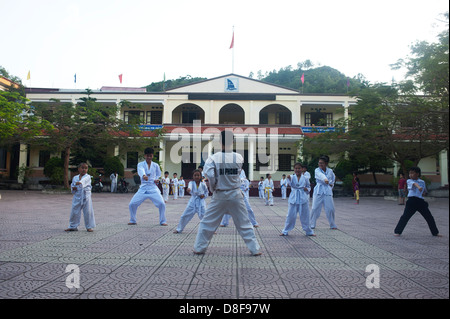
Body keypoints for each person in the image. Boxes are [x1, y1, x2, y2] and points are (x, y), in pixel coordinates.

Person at [193, 130, 261, 256]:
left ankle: (199, 248)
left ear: (219, 141)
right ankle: (255, 249)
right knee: (244, 223)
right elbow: (238, 172)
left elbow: (211, 176)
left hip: (220, 194)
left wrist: (213, 189)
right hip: (235, 193)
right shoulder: (239, 157)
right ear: (233, 141)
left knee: (207, 223)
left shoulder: (212, 158)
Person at [394, 167, 442, 237]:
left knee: (429, 217)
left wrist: (423, 192)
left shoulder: (422, 182)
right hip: (411, 201)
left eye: (412, 173)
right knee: (405, 217)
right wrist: (419, 187)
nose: (410, 175)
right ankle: (398, 231)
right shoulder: (409, 181)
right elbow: (414, 184)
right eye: (410, 173)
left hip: (420, 202)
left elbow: (424, 190)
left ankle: (435, 232)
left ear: (417, 174)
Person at [128, 147, 167, 226]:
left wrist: (156, 179)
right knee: (132, 204)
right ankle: (133, 220)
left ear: (152, 156)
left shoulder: (155, 165)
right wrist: (143, 175)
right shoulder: (140, 164)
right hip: (143, 188)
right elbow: (141, 170)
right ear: (145, 156)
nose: (149, 157)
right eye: (147, 156)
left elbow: (158, 175)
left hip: (153, 188)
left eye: (151, 156)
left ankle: (162, 221)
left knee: (162, 204)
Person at [280, 163, 315, 236]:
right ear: (294, 169)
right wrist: (288, 178)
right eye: (296, 168)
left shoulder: (305, 178)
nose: (297, 170)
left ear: (302, 169)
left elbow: (308, 187)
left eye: (299, 168)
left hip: (303, 198)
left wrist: (306, 189)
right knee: (290, 215)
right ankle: (285, 231)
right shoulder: (292, 177)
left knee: (305, 215)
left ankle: (309, 231)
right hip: (294, 198)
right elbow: (289, 183)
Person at [65, 163, 96, 232]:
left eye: (86, 168)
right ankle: (73, 226)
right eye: (82, 168)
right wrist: (73, 188)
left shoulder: (88, 177)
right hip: (77, 196)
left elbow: (83, 182)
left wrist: (80, 182)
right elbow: (72, 186)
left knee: (88, 211)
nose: (84, 170)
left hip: (86, 196)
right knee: (74, 211)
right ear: (78, 169)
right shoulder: (75, 177)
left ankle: (89, 227)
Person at [310, 155, 337, 230]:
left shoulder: (330, 171)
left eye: (322, 163)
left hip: (327, 191)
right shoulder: (317, 170)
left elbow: (333, 179)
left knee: (331, 208)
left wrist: (330, 185)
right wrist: (325, 179)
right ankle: (312, 224)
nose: (320, 164)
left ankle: (332, 224)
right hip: (319, 190)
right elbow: (320, 175)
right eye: (319, 163)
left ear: (326, 163)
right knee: (315, 208)